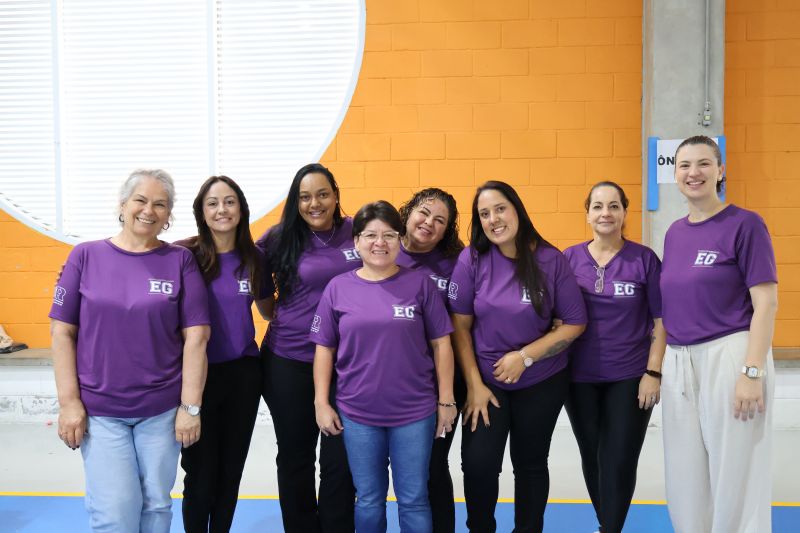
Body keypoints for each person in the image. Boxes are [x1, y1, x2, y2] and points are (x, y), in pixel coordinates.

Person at [49, 169, 210, 532]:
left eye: (160, 204)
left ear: (168, 215)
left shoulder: (179, 261)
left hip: (161, 411)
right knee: (115, 514)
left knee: (156, 505)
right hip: (102, 412)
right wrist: (69, 403)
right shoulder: (85, 256)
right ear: (123, 205)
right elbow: (61, 333)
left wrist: (190, 408)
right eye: (140, 200)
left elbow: (197, 337)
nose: (149, 210)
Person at [449, 180, 587, 533]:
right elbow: (460, 327)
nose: (493, 219)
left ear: (517, 210)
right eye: (484, 214)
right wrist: (474, 385)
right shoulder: (472, 259)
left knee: (530, 464)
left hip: (541, 379)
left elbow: (575, 323)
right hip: (487, 383)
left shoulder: (550, 260)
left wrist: (524, 357)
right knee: (478, 464)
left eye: (500, 209)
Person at [312, 200, 458, 533]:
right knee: (368, 499)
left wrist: (446, 400)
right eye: (371, 235)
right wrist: (321, 402)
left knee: (414, 499)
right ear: (356, 241)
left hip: (415, 413)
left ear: (399, 239)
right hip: (358, 413)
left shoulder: (420, 284)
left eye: (389, 235)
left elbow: (442, 344)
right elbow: (324, 348)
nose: (380, 243)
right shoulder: (338, 288)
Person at [660, 135, 778, 533]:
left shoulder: (745, 224)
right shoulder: (674, 232)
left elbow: (766, 303)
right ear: (675, 174)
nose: (693, 173)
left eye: (704, 164)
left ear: (720, 170)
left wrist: (751, 372)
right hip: (680, 361)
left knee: (736, 474)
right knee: (685, 477)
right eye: (684, 165)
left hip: (730, 355)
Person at [256, 163, 358, 533]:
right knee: (296, 456)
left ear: (335, 195)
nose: (314, 203)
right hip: (289, 361)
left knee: (341, 459)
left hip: (347, 364)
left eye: (322, 194)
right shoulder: (279, 237)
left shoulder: (356, 230)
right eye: (304, 197)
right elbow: (258, 286)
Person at [562, 181, 666, 533]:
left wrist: (653, 372)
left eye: (613, 206)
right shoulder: (569, 259)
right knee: (592, 456)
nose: (605, 213)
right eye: (598, 206)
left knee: (619, 458)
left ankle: (609, 529)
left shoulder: (644, 260)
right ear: (587, 214)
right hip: (579, 378)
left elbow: (662, 320)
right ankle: (607, 525)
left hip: (631, 376)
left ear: (624, 212)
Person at [178, 176, 272, 532]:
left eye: (229, 201)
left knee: (231, 471)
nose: (222, 210)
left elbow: (268, 310)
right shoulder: (183, 255)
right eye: (213, 203)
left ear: (241, 209)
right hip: (197, 377)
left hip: (243, 375)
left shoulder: (255, 257)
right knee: (200, 474)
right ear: (201, 212)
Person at [396, 188, 465, 533]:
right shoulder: (382, 248)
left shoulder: (456, 262)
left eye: (440, 220)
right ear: (408, 212)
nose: (428, 223)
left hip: (441, 379)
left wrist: (448, 397)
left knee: (433, 465)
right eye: (424, 212)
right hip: (392, 378)